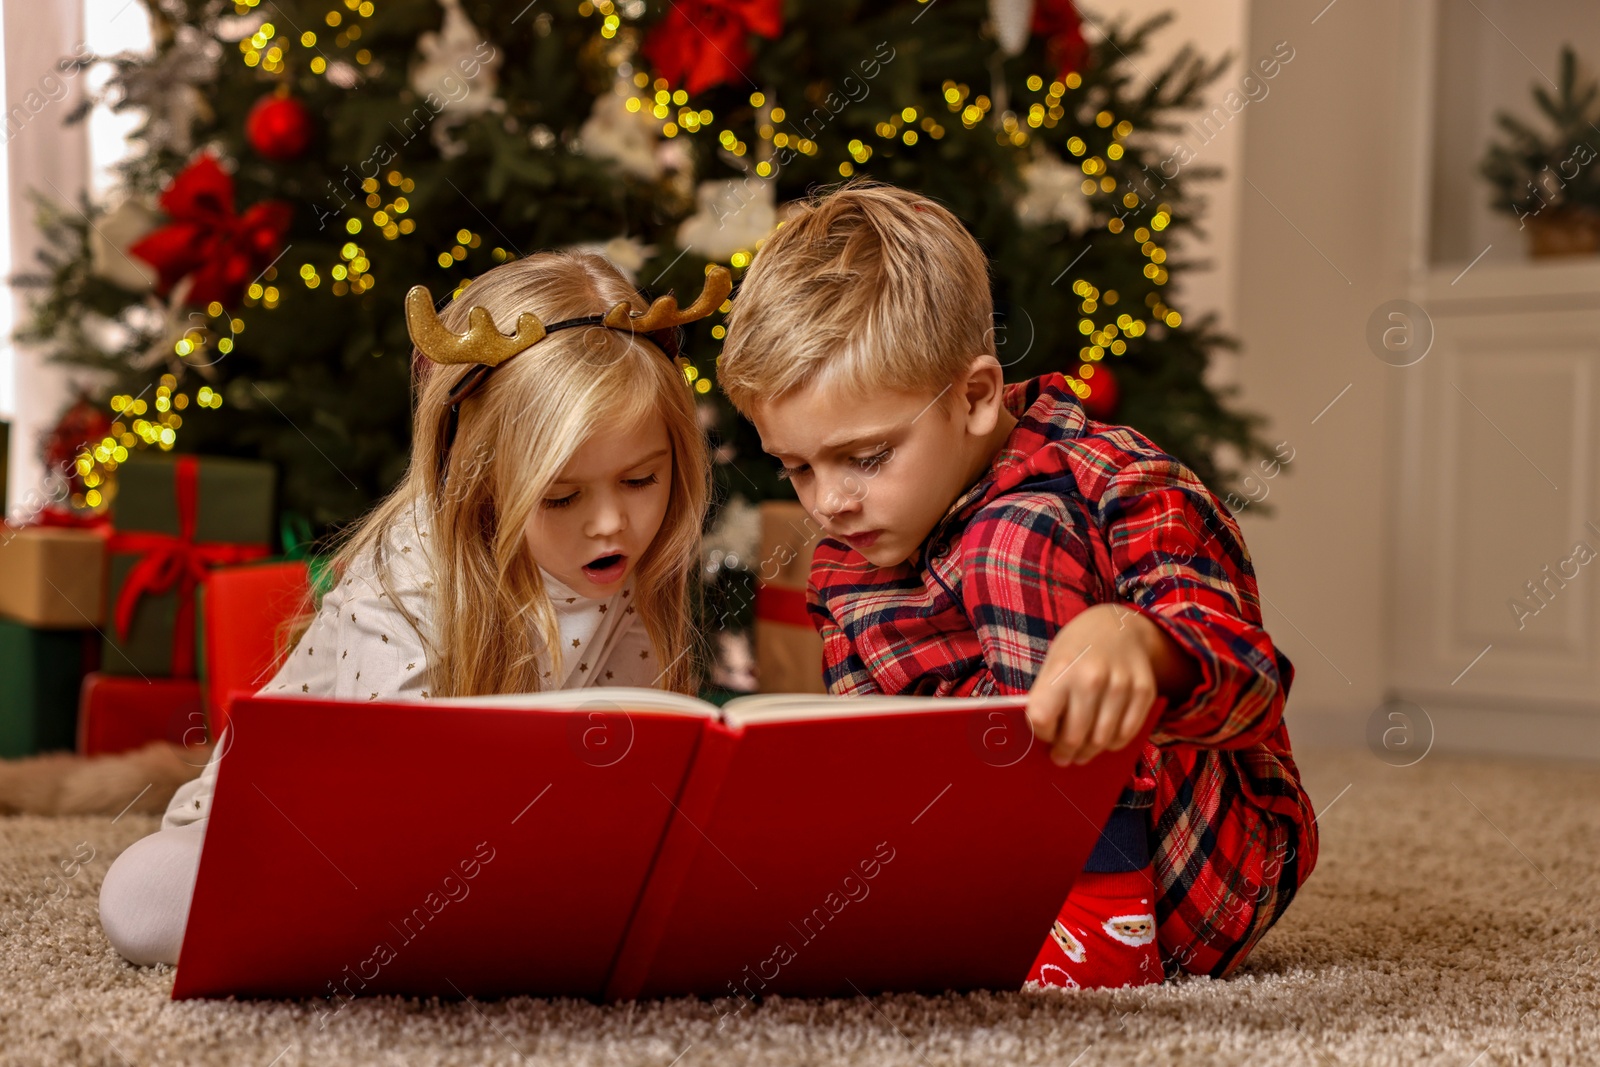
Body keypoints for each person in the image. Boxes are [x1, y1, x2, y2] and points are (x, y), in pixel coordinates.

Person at [716, 182, 1318, 988]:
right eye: (797, 467)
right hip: (995, 860)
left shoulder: (1117, 480)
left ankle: (1101, 923)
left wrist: (1135, 641)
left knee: (1013, 539)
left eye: (865, 457)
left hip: (1207, 860)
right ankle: (998, 915)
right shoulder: (846, 557)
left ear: (974, 396)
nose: (829, 500)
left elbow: (1252, 683)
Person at [99, 251, 722, 965]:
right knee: (141, 896)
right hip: (308, 830)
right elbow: (380, 803)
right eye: (560, 496)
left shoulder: (630, 568)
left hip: (497, 842)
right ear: (479, 478)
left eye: (640, 479)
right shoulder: (412, 575)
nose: (611, 523)